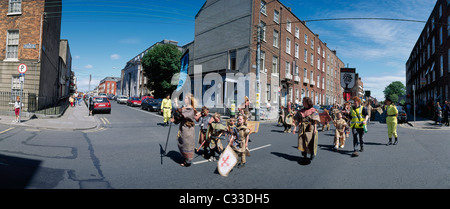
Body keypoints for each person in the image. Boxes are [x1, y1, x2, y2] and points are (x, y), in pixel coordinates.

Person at [171, 93, 200, 167]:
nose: (185, 99)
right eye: (185, 98)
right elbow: (180, 116)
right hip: (183, 128)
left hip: (188, 129)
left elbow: (181, 112)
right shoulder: (186, 107)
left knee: (187, 144)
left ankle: (187, 161)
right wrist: (174, 120)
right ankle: (185, 158)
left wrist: (176, 103)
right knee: (183, 143)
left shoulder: (190, 108)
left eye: (186, 98)